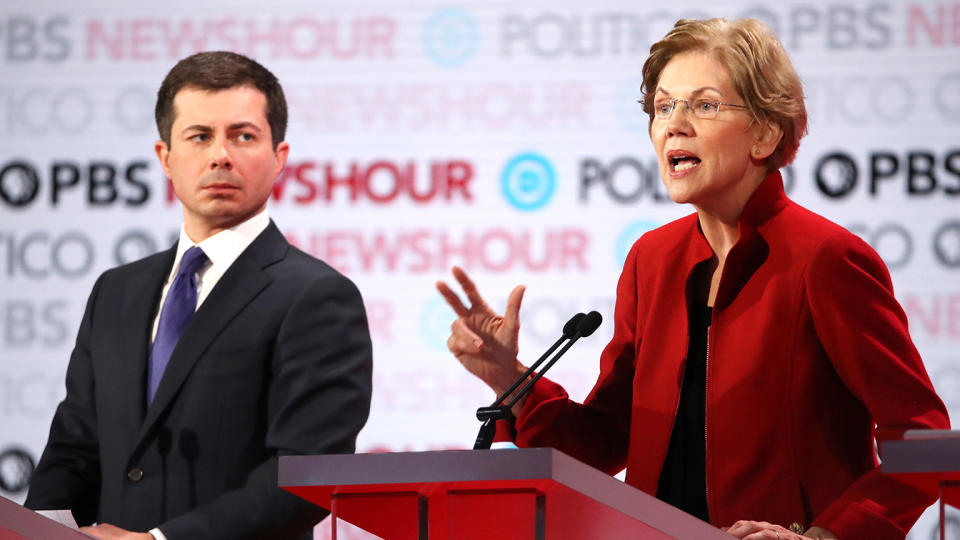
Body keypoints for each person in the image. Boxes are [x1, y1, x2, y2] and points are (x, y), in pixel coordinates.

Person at [437, 18, 949, 540]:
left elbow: (921, 439)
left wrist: (825, 537)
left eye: (704, 105)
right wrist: (510, 379)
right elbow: (608, 437)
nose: (674, 125)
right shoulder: (651, 261)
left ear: (766, 132)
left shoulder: (825, 259)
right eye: (663, 107)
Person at [24, 51, 373, 540]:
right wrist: (43, 532)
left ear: (280, 158)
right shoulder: (116, 292)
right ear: (166, 157)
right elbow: (74, 446)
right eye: (200, 136)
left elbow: (303, 478)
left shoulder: (317, 298)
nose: (220, 155)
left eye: (243, 136)